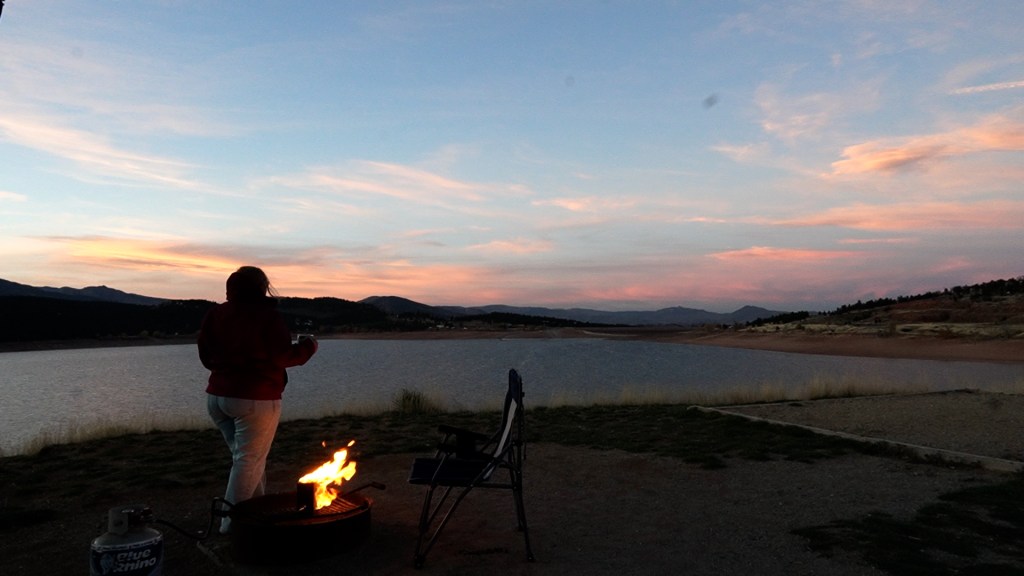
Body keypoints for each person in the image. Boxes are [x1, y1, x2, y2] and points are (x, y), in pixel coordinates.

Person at [198, 266, 318, 533]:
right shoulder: (266, 316)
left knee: (248, 460)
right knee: (248, 461)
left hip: (217, 398)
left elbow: (206, 357)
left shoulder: (215, 314)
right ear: (261, 287)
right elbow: (283, 357)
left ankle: (256, 512)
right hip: (255, 400)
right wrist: (309, 346)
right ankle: (231, 526)